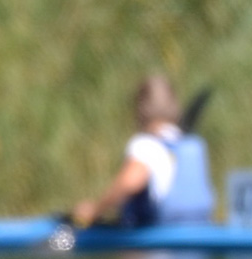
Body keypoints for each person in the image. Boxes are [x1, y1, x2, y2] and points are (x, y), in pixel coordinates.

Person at [70, 74, 215, 228]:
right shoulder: (191, 144)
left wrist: (95, 210)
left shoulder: (145, 145)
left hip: (155, 244)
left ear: (140, 109)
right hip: (200, 230)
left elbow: (130, 182)